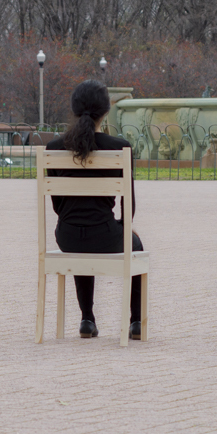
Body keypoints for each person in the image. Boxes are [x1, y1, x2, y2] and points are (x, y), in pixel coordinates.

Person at [46, 79, 146, 339]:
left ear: (74, 108)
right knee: (136, 244)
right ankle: (135, 323)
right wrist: (124, 227)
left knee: (81, 240)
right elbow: (129, 203)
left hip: (66, 235)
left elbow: (57, 205)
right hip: (105, 234)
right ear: (106, 110)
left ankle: (87, 319)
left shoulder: (53, 149)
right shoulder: (120, 148)